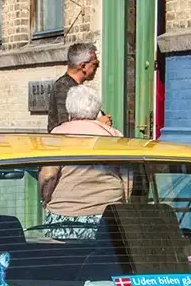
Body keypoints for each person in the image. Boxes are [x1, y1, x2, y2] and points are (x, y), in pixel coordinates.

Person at [38, 84, 130, 240]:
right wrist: (124, 203)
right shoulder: (114, 135)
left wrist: (45, 199)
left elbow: (49, 176)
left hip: (65, 217)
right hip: (108, 219)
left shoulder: (58, 135)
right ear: (97, 109)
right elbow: (128, 179)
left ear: (69, 110)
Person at [47, 43, 101, 132]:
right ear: (83, 66)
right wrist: (98, 123)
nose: (97, 67)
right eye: (95, 63)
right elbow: (65, 124)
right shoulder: (63, 86)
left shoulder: (77, 87)